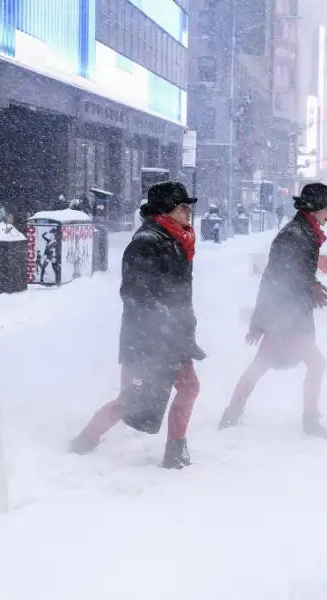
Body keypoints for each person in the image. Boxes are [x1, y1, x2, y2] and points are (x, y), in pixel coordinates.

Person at [69, 181, 206, 469]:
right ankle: (83, 441)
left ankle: (175, 452)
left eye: (189, 206)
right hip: (146, 339)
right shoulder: (147, 242)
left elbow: (178, 293)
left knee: (189, 387)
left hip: (174, 337)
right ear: (166, 210)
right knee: (130, 402)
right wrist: (167, 325)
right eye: (183, 206)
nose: (189, 211)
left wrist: (184, 330)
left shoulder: (177, 239)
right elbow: (135, 294)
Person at [219, 182, 327, 440]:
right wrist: (261, 322)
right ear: (315, 207)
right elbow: (278, 277)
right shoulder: (295, 235)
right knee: (315, 365)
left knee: (261, 366)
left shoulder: (304, 232)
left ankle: (231, 414)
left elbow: (294, 274)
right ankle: (309, 422)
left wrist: (311, 285)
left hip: (286, 315)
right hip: (286, 317)